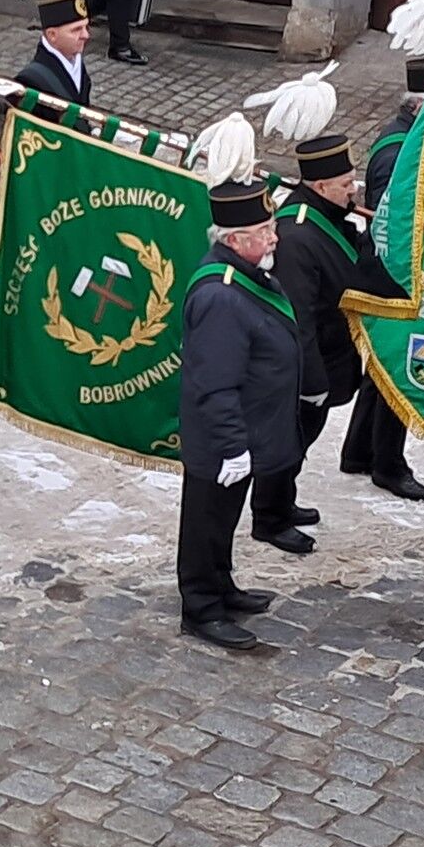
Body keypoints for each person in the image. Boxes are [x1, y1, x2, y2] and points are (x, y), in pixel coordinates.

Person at [177, 155, 299, 652]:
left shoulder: (247, 277)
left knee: (222, 521)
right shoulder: (222, 298)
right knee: (205, 521)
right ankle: (201, 608)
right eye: (264, 230)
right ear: (232, 241)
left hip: (245, 432)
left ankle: (221, 587)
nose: (274, 238)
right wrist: (231, 447)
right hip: (224, 439)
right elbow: (216, 383)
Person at [248, 132, 361, 555]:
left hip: (328, 357)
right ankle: (269, 518)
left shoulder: (322, 216)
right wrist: (311, 383)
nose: (355, 190)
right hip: (304, 371)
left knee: (300, 443)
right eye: (347, 184)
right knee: (287, 444)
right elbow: (301, 320)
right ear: (319, 188)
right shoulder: (297, 236)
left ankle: (283, 502)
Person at [339, 55, 424, 500]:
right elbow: (388, 219)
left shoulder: (408, 137)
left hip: (392, 270)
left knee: (381, 368)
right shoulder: (396, 151)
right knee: (395, 366)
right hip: (390, 273)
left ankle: (360, 450)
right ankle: (388, 464)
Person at [14, 0, 94, 109]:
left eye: (86, 27)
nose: (86, 35)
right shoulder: (30, 81)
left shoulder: (76, 63)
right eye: (76, 29)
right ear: (52, 35)